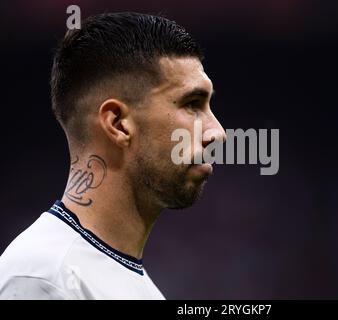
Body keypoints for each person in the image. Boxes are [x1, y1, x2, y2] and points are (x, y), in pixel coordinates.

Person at [0, 12, 226, 299]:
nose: (217, 133)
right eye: (192, 104)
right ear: (118, 123)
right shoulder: (43, 279)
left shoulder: (143, 289)